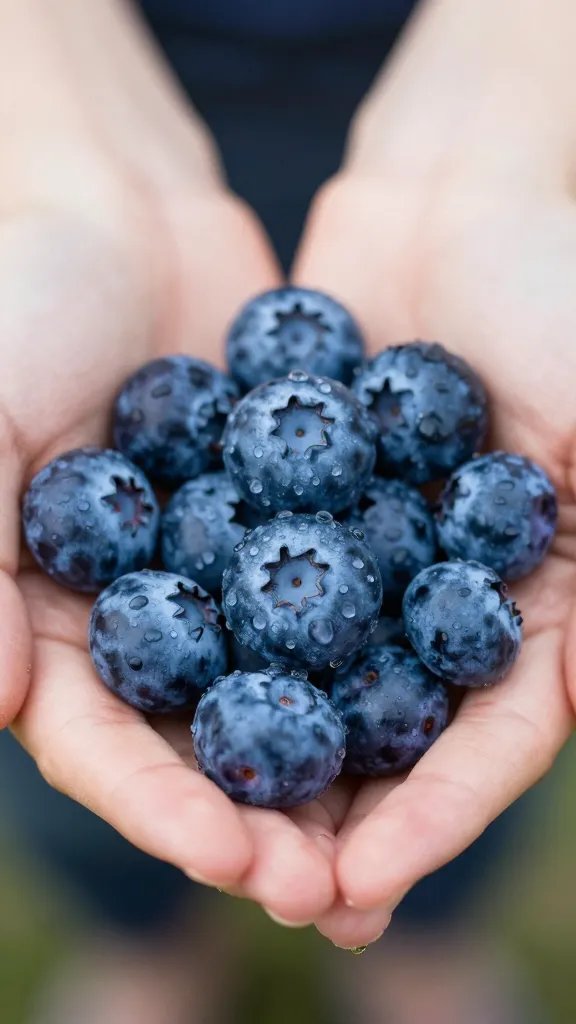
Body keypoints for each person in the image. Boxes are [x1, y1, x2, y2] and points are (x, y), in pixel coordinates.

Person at [0, 0, 574, 1019]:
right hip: (131, 90)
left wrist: (500, 159)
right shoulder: (202, 511)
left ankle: (431, 943)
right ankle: (141, 943)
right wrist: (67, 167)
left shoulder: (397, 529)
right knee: (86, 804)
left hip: (434, 79)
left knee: (449, 795)